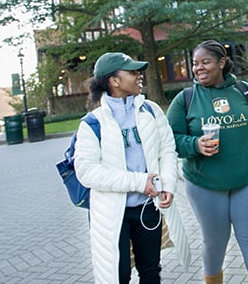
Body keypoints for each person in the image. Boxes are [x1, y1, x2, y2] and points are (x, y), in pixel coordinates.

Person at [167, 40, 248, 284]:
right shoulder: (185, 99)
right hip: (204, 184)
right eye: (195, 63)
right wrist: (195, 145)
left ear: (221, 63)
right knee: (215, 241)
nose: (198, 68)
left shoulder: (246, 92)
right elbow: (170, 141)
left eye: (205, 62)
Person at [74, 52, 180, 284]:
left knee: (151, 271)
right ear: (114, 81)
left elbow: (167, 151)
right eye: (132, 72)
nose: (139, 75)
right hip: (111, 213)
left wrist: (168, 185)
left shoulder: (151, 111)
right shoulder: (92, 123)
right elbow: (86, 171)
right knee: (118, 275)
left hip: (147, 209)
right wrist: (138, 182)